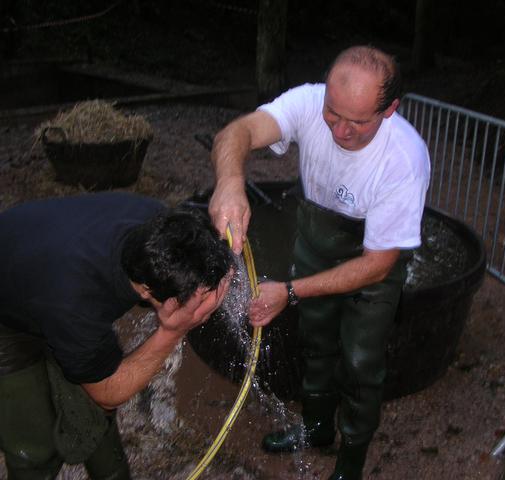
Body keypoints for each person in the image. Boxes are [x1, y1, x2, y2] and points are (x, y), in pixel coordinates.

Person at [208, 45, 430, 480]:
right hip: (315, 242)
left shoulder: (404, 160)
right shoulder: (310, 101)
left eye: (358, 121)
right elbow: (236, 133)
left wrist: (288, 292)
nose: (340, 131)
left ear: (390, 110)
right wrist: (231, 183)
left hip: (370, 267)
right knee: (315, 341)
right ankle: (316, 427)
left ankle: (350, 461)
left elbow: (378, 266)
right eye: (334, 113)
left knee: (361, 362)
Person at [0, 191, 233, 479]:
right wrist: (174, 330)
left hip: (40, 265)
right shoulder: (75, 303)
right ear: (148, 292)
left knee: (89, 416)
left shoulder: (159, 226)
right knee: (34, 445)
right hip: (8, 316)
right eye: (192, 301)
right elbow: (108, 393)